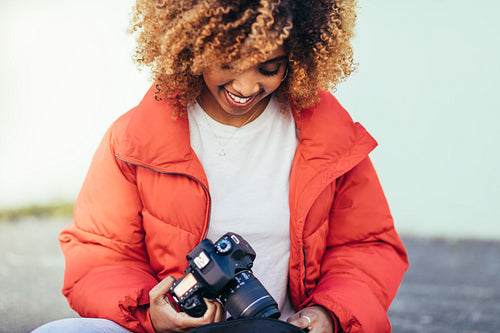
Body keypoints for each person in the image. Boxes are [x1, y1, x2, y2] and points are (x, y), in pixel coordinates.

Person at [33, 0, 408, 332]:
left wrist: (330, 314)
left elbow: (367, 247)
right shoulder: (134, 139)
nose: (245, 87)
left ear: (297, 57)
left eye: (268, 67)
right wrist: (151, 312)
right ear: (194, 45)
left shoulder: (331, 136)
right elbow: (100, 254)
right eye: (228, 62)